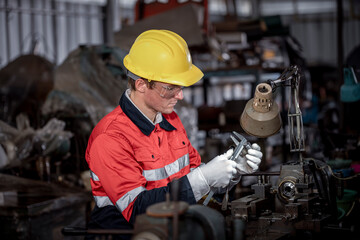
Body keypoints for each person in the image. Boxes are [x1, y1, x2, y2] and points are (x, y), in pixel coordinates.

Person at [85, 29, 262, 238]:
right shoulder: (110, 138)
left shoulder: (171, 121)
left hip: (175, 228)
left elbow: (195, 184)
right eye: (170, 87)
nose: (180, 95)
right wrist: (203, 178)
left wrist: (230, 173)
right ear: (141, 84)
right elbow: (139, 209)